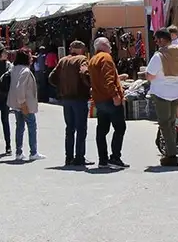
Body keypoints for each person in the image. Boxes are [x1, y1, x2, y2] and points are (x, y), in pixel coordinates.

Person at [145, 28, 178, 167]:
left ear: (162, 40)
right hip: (177, 92)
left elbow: (150, 75)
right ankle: (171, 151)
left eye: (156, 40)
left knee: (165, 124)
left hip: (161, 93)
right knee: (171, 123)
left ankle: (171, 154)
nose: (156, 42)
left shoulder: (159, 55)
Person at [50, 40, 92, 167]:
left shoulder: (63, 61)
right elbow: (85, 73)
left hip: (66, 99)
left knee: (69, 128)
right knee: (81, 129)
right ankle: (79, 157)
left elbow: (52, 78)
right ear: (80, 49)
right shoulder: (82, 59)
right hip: (79, 98)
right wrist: (89, 85)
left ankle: (68, 158)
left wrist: (61, 86)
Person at [88, 37, 127, 168]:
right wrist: (115, 95)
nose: (111, 46)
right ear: (104, 45)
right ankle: (115, 157)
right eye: (109, 44)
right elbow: (107, 79)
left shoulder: (93, 59)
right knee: (120, 128)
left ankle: (103, 160)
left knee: (102, 130)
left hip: (99, 100)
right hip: (110, 99)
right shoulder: (106, 58)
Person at [7, 49, 43, 161]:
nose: (31, 58)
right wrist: (23, 104)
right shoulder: (25, 71)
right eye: (30, 56)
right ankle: (33, 152)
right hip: (25, 104)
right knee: (32, 127)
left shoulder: (14, 69)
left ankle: (19, 152)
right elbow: (20, 87)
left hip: (16, 104)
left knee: (20, 128)